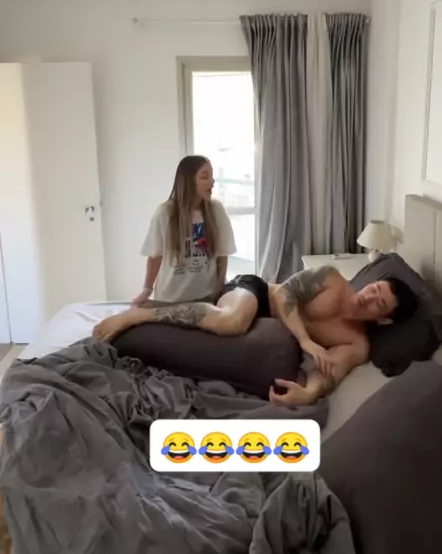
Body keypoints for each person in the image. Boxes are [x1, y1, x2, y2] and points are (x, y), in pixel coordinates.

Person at [93, 266, 417, 406]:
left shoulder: (357, 344)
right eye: (374, 288)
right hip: (256, 292)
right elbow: (285, 294)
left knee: (232, 331)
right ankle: (140, 314)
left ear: (384, 319)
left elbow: (329, 371)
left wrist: (308, 394)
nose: (368, 296)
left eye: (379, 302)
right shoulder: (331, 279)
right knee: (232, 321)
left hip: (266, 323)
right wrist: (305, 340)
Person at [131, 155, 237, 306]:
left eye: (211, 176)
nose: (212, 182)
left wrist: (220, 288)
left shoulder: (216, 210)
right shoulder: (165, 212)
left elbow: (222, 254)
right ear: (188, 181)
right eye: (205, 176)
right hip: (170, 299)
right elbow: (155, 256)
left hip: (206, 298)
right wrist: (147, 290)